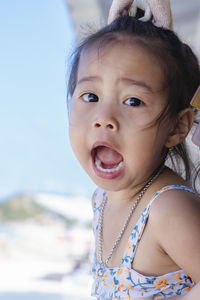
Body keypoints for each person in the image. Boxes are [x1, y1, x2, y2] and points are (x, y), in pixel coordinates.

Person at [67, 12, 200, 300]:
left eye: (133, 101)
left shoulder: (168, 209)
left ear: (177, 127)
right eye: (90, 96)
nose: (104, 118)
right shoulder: (101, 200)